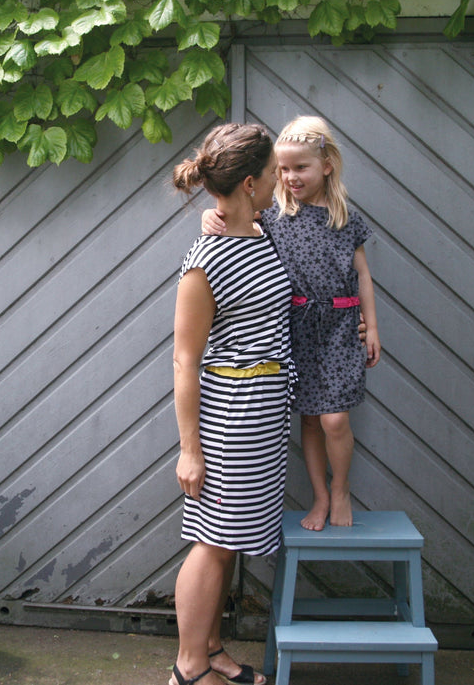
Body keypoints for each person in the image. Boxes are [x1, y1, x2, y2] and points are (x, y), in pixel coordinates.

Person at [202, 115, 380, 530]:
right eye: (282, 169)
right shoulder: (275, 215)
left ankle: (341, 489)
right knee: (311, 420)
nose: (289, 176)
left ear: (327, 165)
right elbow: (231, 221)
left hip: (339, 328)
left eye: (300, 167)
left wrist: (371, 326)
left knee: (335, 418)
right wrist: (210, 217)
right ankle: (320, 497)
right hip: (294, 328)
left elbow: (365, 277)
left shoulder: (344, 218)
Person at [170, 122, 291, 685]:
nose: (278, 181)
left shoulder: (260, 232)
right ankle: (190, 669)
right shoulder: (205, 260)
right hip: (231, 417)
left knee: (229, 540)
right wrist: (189, 451)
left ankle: (212, 649)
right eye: (271, 174)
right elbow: (184, 362)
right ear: (248, 183)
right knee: (213, 544)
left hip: (263, 413)